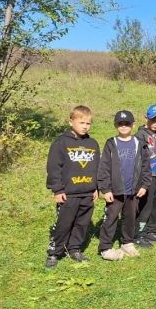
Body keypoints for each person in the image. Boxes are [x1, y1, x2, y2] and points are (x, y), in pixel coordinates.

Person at [45, 105, 100, 268]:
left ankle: (74, 248)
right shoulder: (61, 142)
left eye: (88, 123)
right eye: (81, 122)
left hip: (87, 192)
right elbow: (54, 167)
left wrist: (96, 187)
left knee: (82, 222)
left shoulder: (92, 143)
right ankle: (54, 252)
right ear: (71, 122)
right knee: (64, 223)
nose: (85, 126)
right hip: (68, 193)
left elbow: (97, 166)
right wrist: (57, 189)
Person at [97, 110, 152, 260]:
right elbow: (104, 167)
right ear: (115, 125)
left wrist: (145, 185)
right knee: (111, 218)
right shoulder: (111, 143)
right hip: (115, 191)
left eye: (127, 123)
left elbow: (146, 166)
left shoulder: (139, 144)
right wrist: (105, 188)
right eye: (120, 123)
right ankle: (105, 247)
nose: (124, 126)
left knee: (130, 218)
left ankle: (127, 242)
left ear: (133, 125)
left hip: (133, 191)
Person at [135, 104, 156, 248]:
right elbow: (137, 159)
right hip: (147, 177)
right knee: (145, 207)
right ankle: (139, 234)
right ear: (146, 118)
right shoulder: (140, 136)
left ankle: (152, 230)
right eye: (154, 120)